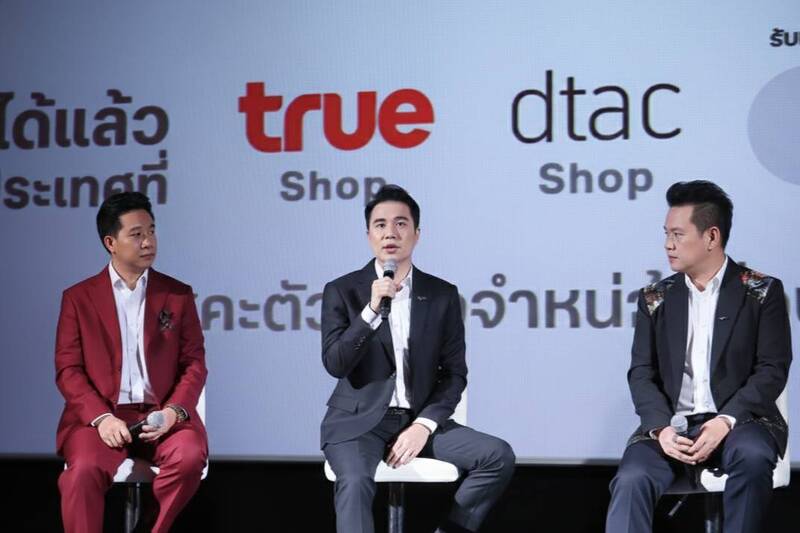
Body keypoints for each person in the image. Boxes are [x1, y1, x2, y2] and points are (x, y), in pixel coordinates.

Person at [320, 185, 515, 533]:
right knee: (355, 481)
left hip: (418, 418)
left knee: (497, 456)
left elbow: (454, 374)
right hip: (357, 422)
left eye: (401, 223)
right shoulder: (342, 290)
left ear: (417, 234)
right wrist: (370, 311)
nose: (390, 233)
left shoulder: (441, 294)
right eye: (380, 225)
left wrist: (423, 426)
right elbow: (335, 363)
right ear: (368, 235)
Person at [605, 180, 791, 533]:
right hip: (672, 427)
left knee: (752, 456)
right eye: (666, 234)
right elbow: (641, 372)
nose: (668, 244)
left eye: (678, 234)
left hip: (742, 422)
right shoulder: (654, 298)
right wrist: (660, 428)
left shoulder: (761, 291)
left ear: (711, 237)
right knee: (632, 477)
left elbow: (772, 369)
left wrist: (725, 420)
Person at [56, 192, 208, 533]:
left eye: (151, 231)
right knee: (81, 473)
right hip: (102, 418)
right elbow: (68, 370)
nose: (148, 242)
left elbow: (194, 363)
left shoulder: (177, 294)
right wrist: (101, 417)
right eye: (137, 234)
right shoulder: (78, 298)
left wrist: (174, 412)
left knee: (188, 457)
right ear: (110, 242)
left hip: (161, 415)